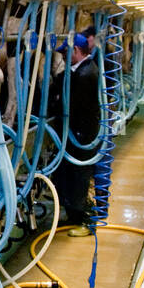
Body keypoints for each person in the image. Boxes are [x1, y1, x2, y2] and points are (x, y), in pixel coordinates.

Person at [51, 32, 101, 237]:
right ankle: (74, 216)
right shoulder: (84, 69)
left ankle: (87, 223)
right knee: (70, 175)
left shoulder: (85, 74)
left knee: (81, 178)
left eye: (66, 53)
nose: (63, 57)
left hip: (82, 135)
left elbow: (70, 104)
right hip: (79, 133)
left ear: (77, 51)